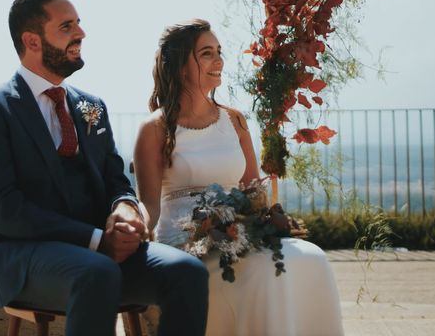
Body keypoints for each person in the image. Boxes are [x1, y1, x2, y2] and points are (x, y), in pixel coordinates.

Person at [0, 0, 208, 336]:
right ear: (32, 41)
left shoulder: (91, 105)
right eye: (67, 27)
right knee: (96, 272)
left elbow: (116, 179)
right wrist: (96, 239)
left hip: (96, 254)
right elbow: (2, 209)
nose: (81, 33)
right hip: (21, 255)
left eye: (78, 23)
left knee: (187, 271)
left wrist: (125, 209)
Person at [134, 19, 344, 336]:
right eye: (206, 53)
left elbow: (252, 189)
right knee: (264, 273)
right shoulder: (155, 128)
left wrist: (266, 219)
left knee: (311, 259)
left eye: (219, 51)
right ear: (179, 66)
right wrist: (138, 244)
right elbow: (149, 204)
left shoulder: (235, 120)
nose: (219, 61)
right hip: (186, 240)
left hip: (237, 230)